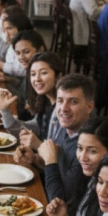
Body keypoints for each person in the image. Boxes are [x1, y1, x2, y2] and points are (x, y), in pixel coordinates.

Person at [18, 74, 96, 203]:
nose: (64, 109)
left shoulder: (87, 147)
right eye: (60, 101)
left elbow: (59, 202)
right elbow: (58, 173)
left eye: (73, 102)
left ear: (89, 107)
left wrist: (50, 161)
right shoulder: (65, 129)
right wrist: (35, 159)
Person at [1, 52, 64, 141]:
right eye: (33, 74)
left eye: (43, 73)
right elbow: (30, 129)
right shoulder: (45, 101)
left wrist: (37, 145)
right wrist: (4, 110)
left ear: (59, 76)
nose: (37, 79)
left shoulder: (63, 109)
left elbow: (57, 148)